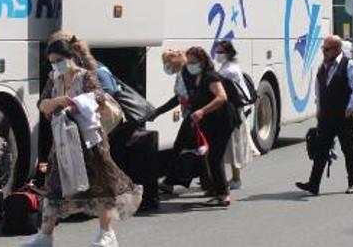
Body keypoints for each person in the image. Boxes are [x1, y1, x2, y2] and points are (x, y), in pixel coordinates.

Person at [19, 39, 142, 247]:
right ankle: (45, 235)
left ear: (70, 57)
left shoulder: (86, 76)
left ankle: (107, 234)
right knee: (54, 186)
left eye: (58, 60)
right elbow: (43, 104)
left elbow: (99, 96)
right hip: (64, 141)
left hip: (90, 141)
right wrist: (58, 102)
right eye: (52, 61)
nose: (55, 65)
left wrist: (74, 104)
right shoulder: (55, 78)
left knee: (101, 186)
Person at [295, 34, 353, 196]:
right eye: (323, 48)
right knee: (321, 149)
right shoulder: (323, 66)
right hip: (327, 116)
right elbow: (319, 90)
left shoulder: (349, 65)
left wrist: (352, 105)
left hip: (345, 115)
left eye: (326, 49)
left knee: (348, 148)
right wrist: (319, 108)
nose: (323, 51)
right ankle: (313, 184)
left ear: (337, 49)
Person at [183, 46, 237, 206]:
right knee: (210, 156)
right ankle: (218, 190)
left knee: (215, 157)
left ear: (202, 61)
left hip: (223, 121)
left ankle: (223, 194)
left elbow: (222, 97)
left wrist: (202, 111)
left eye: (193, 62)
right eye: (189, 62)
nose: (190, 65)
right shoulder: (195, 77)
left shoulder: (210, 77)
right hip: (210, 122)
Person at [215, 40, 260, 190]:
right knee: (230, 145)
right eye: (217, 51)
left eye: (221, 52)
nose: (218, 54)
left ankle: (236, 179)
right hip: (231, 110)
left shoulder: (230, 70)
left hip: (233, 111)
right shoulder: (227, 67)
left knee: (234, 145)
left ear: (228, 53)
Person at [149, 49, 193, 192]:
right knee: (188, 148)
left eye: (167, 63)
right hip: (190, 115)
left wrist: (158, 112)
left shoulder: (187, 75)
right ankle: (174, 180)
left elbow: (180, 99)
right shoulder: (181, 75)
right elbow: (178, 99)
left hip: (195, 116)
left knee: (180, 147)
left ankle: (170, 182)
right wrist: (158, 112)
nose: (166, 66)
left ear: (174, 62)